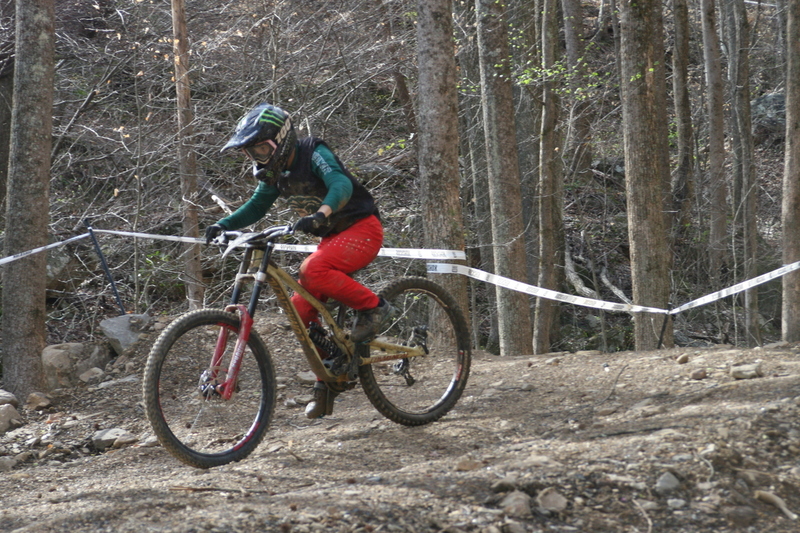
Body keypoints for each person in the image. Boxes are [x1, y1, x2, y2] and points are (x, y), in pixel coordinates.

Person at [205, 103, 393, 419]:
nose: (258, 158)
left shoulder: (311, 151)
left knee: (313, 270)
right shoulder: (274, 175)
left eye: (263, 148)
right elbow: (255, 207)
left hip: (362, 229)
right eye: (252, 152)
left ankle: (375, 308)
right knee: (300, 310)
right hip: (332, 239)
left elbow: (340, 183)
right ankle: (327, 382)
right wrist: (224, 225)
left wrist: (321, 213)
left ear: (283, 140)